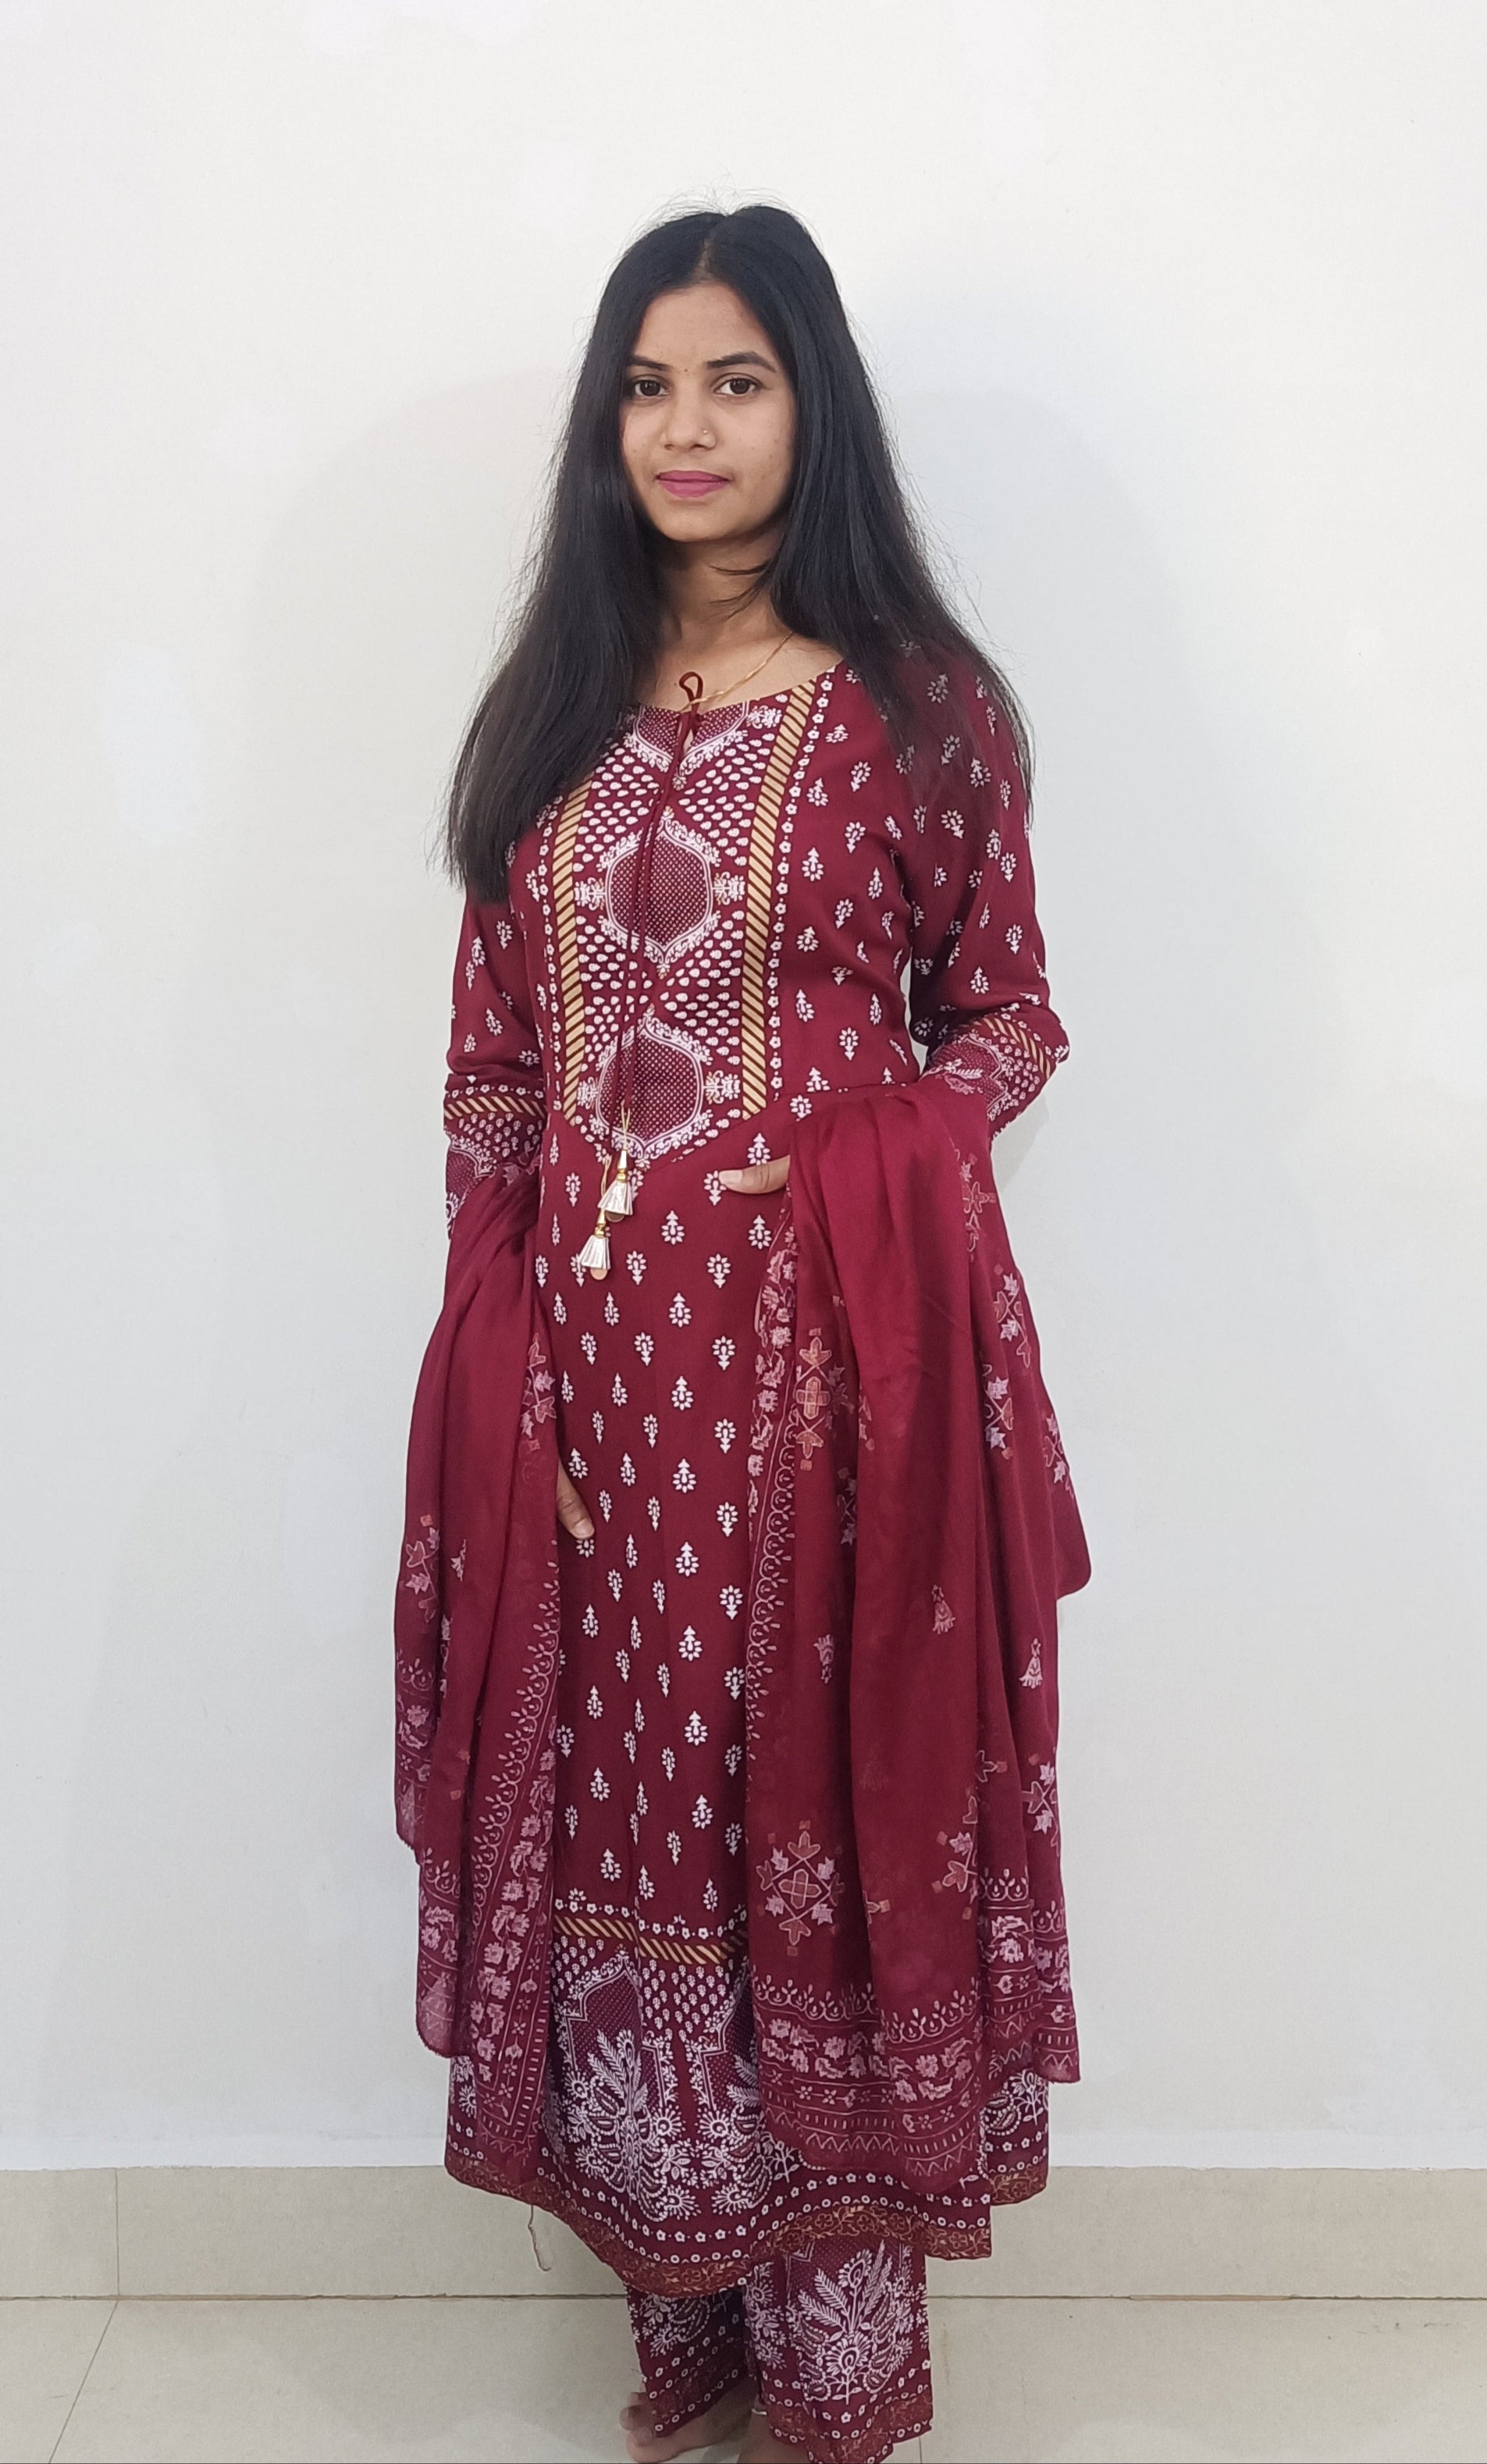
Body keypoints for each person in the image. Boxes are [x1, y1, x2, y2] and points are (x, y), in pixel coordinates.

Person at [394, 203, 1090, 2464]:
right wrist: (500, 1371)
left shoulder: (918, 709)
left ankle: (838, 2375)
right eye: (646, 385)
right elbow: (492, 1077)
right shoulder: (555, 716)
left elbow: (1006, 1016)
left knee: (805, 1822)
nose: (683, 428)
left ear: (813, 407)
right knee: (635, 1820)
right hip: (590, 1390)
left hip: (836, 1393)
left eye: (735, 381)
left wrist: (876, 1152)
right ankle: (689, 2315)